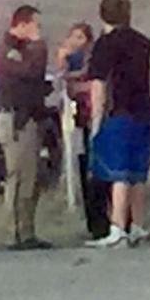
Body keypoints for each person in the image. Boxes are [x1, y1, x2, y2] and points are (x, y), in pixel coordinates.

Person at [87, 0, 150, 248]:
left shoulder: (105, 44)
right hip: (143, 111)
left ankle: (117, 227)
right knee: (137, 172)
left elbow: (99, 84)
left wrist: (96, 119)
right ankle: (137, 224)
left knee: (119, 173)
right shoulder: (143, 42)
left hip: (118, 112)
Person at [0, 5, 52, 250]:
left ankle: (27, 231)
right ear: (24, 23)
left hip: (29, 118)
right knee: (17, 176)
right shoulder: (7, 51)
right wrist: (39, 46)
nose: (38, 31)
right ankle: (14, 232)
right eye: (35, 25)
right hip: (15, 119)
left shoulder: (22, 51)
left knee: (31, 176)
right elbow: (30, 72)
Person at [55, 23, 110, 238]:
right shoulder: (71, 58)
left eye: (81, 37)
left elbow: (94, 82)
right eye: (73, 36)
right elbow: (63, 82)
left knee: (98, 170)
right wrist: (62, 59)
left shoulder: (93, 57)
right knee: (84, 168)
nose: (77, 41)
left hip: (96, 119)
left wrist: (78, 84)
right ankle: (93, 222)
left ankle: (106, 220)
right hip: (80, 120)